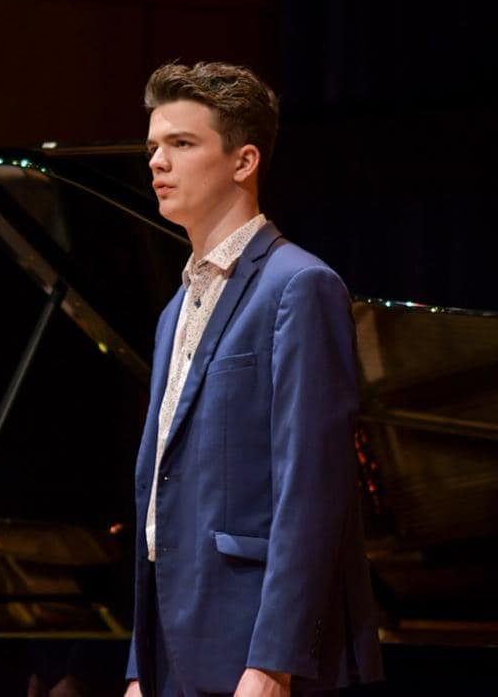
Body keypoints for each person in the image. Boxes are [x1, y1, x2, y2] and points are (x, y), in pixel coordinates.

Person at [125, 62, 383, 696]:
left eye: (182, 144)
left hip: (254, 652)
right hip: (174, 648)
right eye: (154, 146)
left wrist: (273, 662)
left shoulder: (298, 286)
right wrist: (141, 666)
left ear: (243, 162)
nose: (158, 162)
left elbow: (312, 490)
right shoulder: (172, 311)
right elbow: (160, 496)